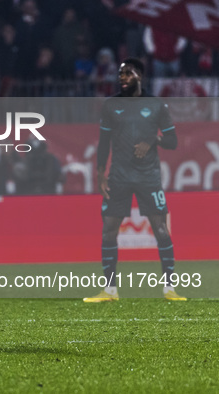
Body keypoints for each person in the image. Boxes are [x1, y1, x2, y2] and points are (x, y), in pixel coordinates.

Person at [84, 58, 184, 303]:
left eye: (128, 73)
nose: (122, 78)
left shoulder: (156, 105)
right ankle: (110, 291)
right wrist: (99, 174)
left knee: (161, 230)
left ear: (140, 75)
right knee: (108, 230)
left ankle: (169, 288)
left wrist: (153, 140)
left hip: (148, 177)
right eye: (120, 74)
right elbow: (103, 143)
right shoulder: (111, 106)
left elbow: (172, 141)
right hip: (118, 177)